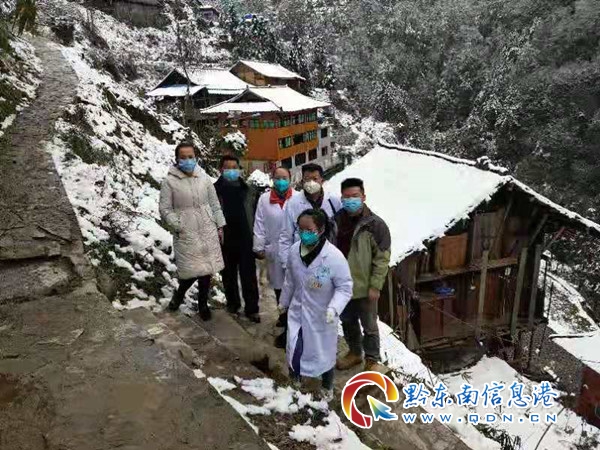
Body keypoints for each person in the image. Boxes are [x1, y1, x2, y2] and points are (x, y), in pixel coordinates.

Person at [279, 209, 353, 401]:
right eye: (300, 229)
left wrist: (334, 308)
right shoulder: (294, 251)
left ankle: (327, 386)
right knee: (294, 347)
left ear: (320, 230)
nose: (304, 234)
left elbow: (345, 287)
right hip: (298, 311)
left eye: (309, 230)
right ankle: (294, 379)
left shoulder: (334, 258)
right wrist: (284, 302)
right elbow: (289, 280)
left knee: (324, 354)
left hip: (322, 315)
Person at [159, 142, 226, 321]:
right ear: (177, 159)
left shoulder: (204, 178)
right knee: (191, 271)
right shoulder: (169, 182)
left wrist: (219, 225)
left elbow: (214, 204)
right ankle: (179, 294)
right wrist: (178, 225)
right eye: (183, 157)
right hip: (187, 232)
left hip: (207, 229)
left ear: (196, 158)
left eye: (190, 157)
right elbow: (165, 209)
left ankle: (203, 304)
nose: (187, 160)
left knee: (206, 270)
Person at [333, 178, 391, 372]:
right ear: (341, 198)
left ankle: (372, 360)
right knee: (347, 321)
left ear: (363, 197)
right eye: (347, 197)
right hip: (342, 286)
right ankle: (355, 353)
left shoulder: (376, 225)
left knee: (370, 326)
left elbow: (382, 259)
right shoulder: (335, 222)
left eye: (355, 196)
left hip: (365, 287)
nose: (351, 200)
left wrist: (375, 285)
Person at [253, 166, 297, 348]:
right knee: (279, 286)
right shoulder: (264, 199)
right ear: (272, 179)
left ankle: (291, 323)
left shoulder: (298, 198)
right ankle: (283, 315)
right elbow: (259, 223)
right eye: (277, 178)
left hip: (295, 250)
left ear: (290, 178)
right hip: (275, 249)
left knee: (294, 287)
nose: (281, 181)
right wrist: (259, 246)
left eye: (284, 177)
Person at [214, 155, 261, 323]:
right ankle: (233, 305)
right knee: (228, 276)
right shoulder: (213, 191)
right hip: (224, 240)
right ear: (221, 170)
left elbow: (257, 215)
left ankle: (252, 309)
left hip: (246, 238)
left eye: (235, 167)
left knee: (249, 276)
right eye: (228, 168)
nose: (232, 171)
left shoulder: (248, 190)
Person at [278, 163, 342, 270]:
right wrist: (286, 264)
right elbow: (286, 237)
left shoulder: (334, 201)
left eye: (315, 179)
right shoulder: (293, 203)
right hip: (302, 261)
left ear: (322, 180)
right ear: (302, 181)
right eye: (307, 179)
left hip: (329, 260)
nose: (311, 183)